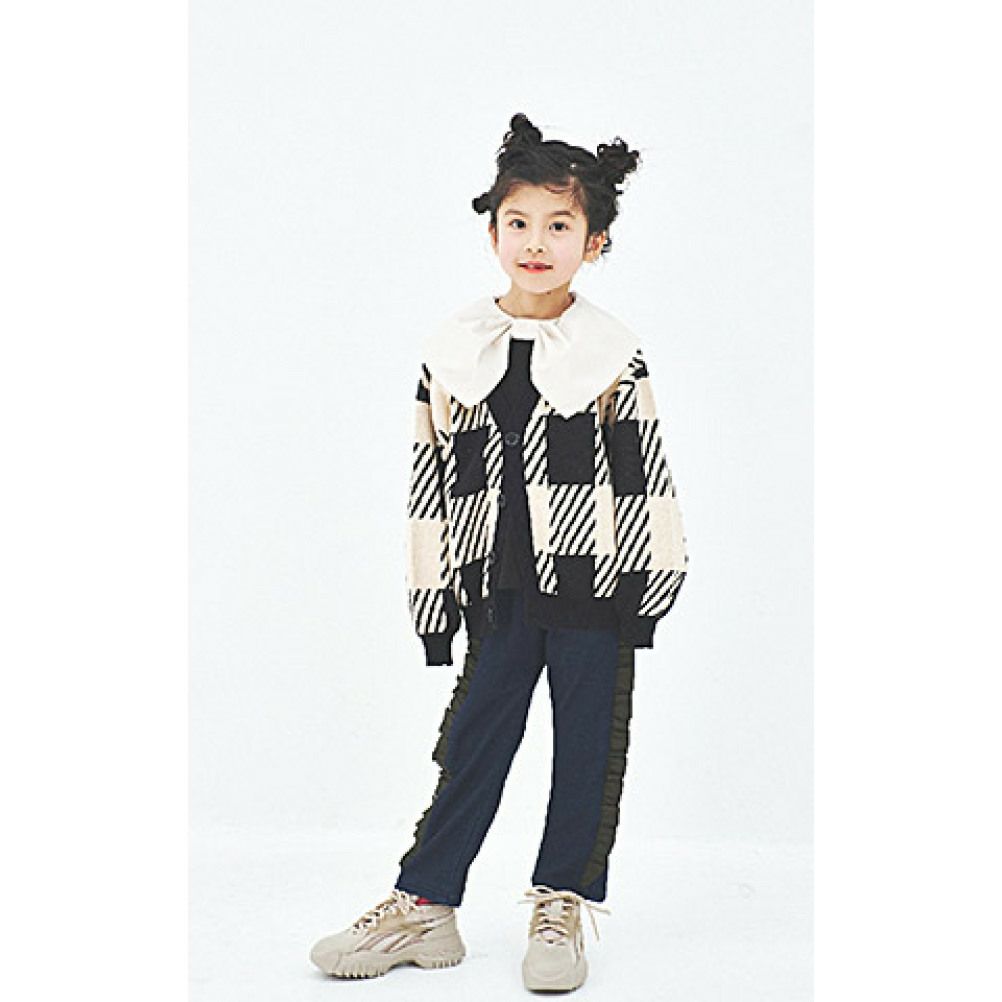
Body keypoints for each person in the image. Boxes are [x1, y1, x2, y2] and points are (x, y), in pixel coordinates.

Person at [310, 112, 690, 992]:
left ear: (594, 244)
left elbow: (648, 473)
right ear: (492, 233)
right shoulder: (454, 351)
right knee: (474, 739)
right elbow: (428, 481)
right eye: (518, 222)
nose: (536, 243)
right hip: (496, 587)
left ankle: (560, 902)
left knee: (588, 746)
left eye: (560, 225)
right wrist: (433, 599)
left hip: (595, 581)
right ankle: (425, 905)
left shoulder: (611, 353)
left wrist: (652, 587)